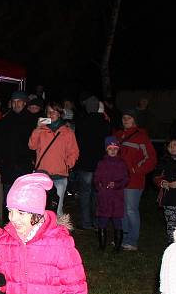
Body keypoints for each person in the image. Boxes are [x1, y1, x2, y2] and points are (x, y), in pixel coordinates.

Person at [113, 109, 157, 251]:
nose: (126, 120)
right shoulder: (118, 135)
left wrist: (135, 169)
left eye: (129, 118)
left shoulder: (141, 137)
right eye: (124, 117)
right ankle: (123, 238)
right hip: (119, 179)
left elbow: (150, 158)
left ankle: (132, 240)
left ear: (135, 120)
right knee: (122, 210)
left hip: (134, 180)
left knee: (131, 210)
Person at [28, 101, 79, 216]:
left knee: (57, 210)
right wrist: (37, 129)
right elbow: (31, 146)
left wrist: (67, 164)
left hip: (59, 176)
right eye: (49, 112)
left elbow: (74, 151)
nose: (51, 114)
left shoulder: (67, 132)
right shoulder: (41, 130)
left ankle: (56, 233)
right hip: (42, 175)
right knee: (40, 210)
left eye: (54, 112)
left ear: (60, 114)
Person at [73, 96, 111, 230]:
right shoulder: (105, 123)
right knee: (97, 193)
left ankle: (86, 222)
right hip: (100, 163)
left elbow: (77, 142)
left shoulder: (82, 122)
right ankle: (96, 221)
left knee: (85, 194)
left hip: (85, 163)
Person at [93, 137, 129, 252]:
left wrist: (116, 184)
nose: (113, 151)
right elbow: (96, 178)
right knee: (102, 220)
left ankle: (118, 246)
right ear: (106, 150)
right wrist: (99, 186)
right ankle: (102, 246)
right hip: (104, 197)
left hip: (117, 198)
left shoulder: (122, 163)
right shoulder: (102, 163)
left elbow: (126, 179)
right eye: (110, 148)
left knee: (117, 221)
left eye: (115, 148)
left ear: (118, 150)